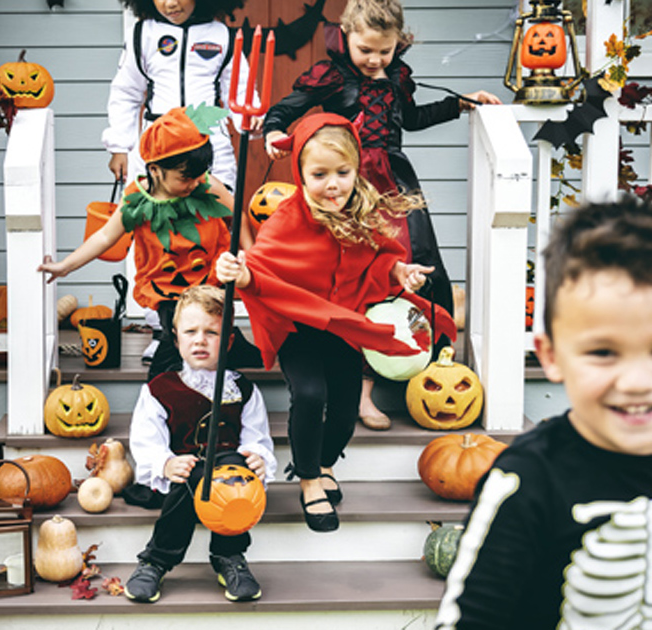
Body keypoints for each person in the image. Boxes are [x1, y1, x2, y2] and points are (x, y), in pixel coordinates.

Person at [434, 197, 652, 629]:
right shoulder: (527, 479)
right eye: (603, 353)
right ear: (552, 356)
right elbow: (470, 617)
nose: (636, 381)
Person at [262, 0, 501, 431]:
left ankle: (420, 370)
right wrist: (274, 129)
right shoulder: (332, 76)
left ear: (397, 46)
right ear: (347, 37)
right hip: (352, 185)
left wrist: (461, 104)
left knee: (410, 268)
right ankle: (362, 395)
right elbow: (287, 108)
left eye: (384, 52)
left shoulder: (396, 77)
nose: (375, 60)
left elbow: (410, 118)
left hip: (393, 181)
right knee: (361, 277)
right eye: (366, 50)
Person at [216, 113, 455, 532]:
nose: (333, 185)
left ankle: (325, 462)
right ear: (301, 174)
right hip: (296, 327)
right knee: (310, 394)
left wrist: (400, 272)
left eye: (343, 173)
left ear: (356, 168)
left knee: (345, 409)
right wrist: (239, 273)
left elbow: (378, 258)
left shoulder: (360, 213)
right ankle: (309, 478)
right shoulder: (285, 222)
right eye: (320, 174)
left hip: (342, 325)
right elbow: (261, 269)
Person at [39, 105, 261, 380]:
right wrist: (66, 266)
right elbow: (106, 235)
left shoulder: (205, 185)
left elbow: (236, 214)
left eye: (197, 175)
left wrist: (251, 254)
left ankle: (227, 352)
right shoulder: (137, 200)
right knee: (176, 332)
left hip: (208, 275)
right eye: (184, 178)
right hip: (167, 285)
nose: (193, 183)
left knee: (213, 321)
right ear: (155, 170)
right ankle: (160, 382)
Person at [123, 284, 276, 603]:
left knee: (230, 462)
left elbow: (256, 437)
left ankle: (229, 555)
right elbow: (146, 441)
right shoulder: (159, 390)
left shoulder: (244, 391)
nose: (200, 339)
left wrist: (258, 457)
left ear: (229, 341)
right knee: (193, 474)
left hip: (231, 486)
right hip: (180, 481)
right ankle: (156, 559)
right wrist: (165, 463)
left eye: (212, 332)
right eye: (190, 331)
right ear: (176, 339)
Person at [105, 0, 260, 200]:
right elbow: (126, 92)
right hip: (156, 143)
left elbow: (239, 89)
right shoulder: (143, 34)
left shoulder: (222, 36)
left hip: (210, 141)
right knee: (149, 219)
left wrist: (251, 118)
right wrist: (119, 147)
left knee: (217, 218)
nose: (170, 3)